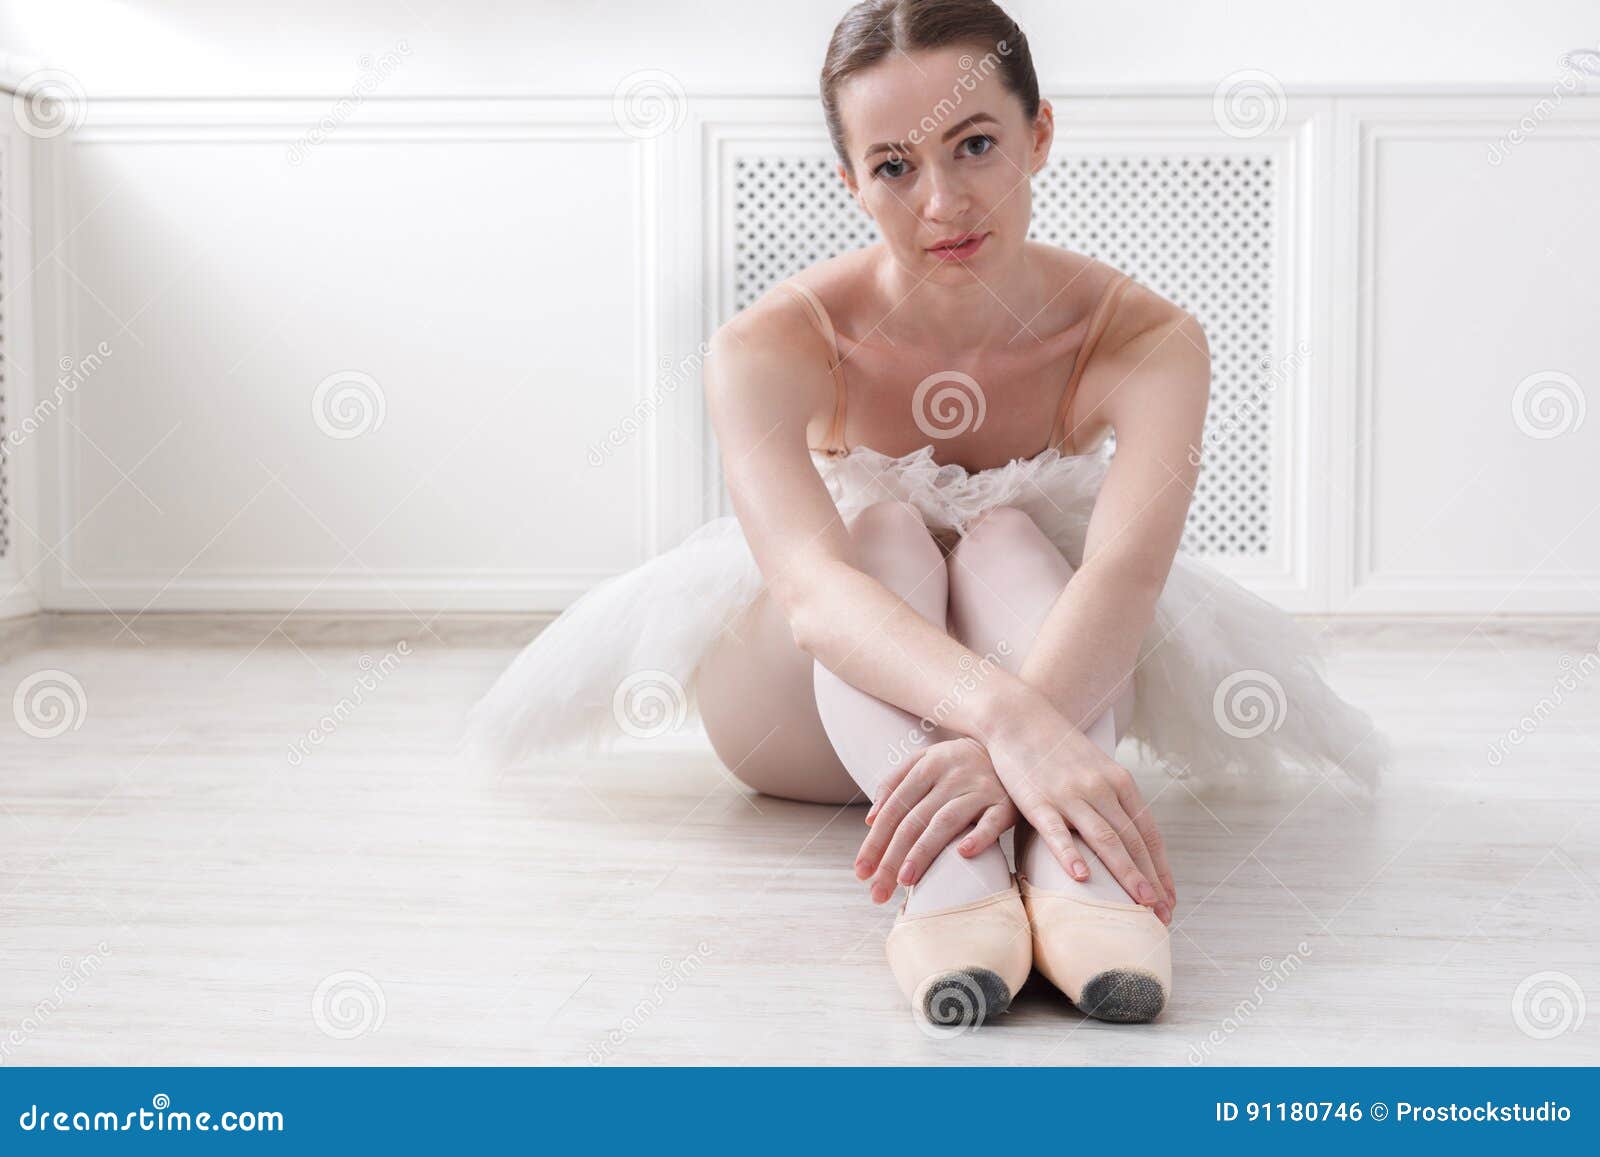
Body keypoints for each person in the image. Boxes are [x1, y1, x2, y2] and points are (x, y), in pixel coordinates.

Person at [460, 0, 1388, 1030]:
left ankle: (1067, 876)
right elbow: (814, 596)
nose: (942, 200)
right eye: (894, 166)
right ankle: (953, 879)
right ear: (849, 181)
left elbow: (1124, 577)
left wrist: (1007, 721)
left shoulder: (1148, 337)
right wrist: (1010, 725)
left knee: (1008, 537)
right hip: (811, 706)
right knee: (888, 533)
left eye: (975, 145)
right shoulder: (765, 344)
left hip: (1040, 650)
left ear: (1039, 135)